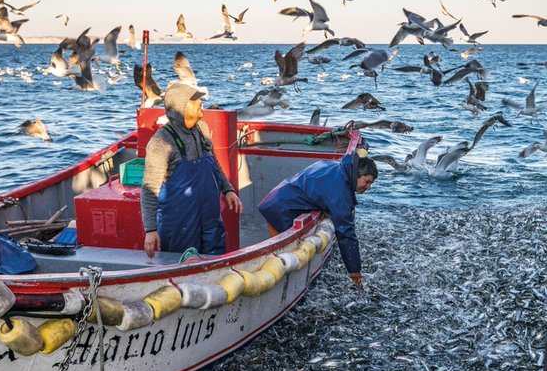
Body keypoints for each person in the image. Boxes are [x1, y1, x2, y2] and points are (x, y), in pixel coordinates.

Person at [141, 82, 243, 258]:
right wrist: (150, 229)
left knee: (214, 264)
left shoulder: (202, 129)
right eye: (196, 102)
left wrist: (227, 190)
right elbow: (149, 189)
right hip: (179, 226)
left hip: (211, 220)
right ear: (182, 107)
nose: (201, 106)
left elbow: (214, 165)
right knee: (181, 270)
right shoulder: (161, 142)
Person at [257, 152, 377, 287]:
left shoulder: (335, 166)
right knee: (283, 257)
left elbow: (319, 187)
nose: (368, 188)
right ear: (357, 175)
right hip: (280, 210)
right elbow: (346, 233)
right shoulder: (340, 194)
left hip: (276, 197)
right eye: (367, 182)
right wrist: (354, 270)